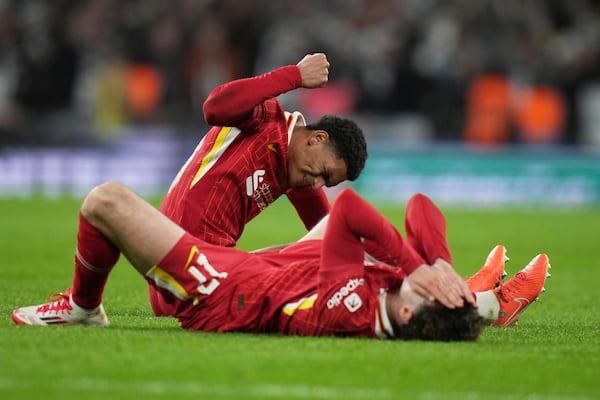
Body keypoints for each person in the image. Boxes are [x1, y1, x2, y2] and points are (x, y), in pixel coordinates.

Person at [12, 182, 550, 340]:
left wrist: (414, 267)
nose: (417, 283)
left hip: (222, 290)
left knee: (105, 201)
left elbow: (353, 215)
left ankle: (83, 307)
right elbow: (420, 206)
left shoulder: (355, 307)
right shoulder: (398, 297)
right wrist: (436, 261)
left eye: (423, 292)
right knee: (371, 231)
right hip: (283, 270)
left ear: (407, 314)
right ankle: (478, 301)